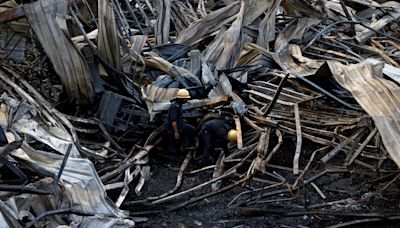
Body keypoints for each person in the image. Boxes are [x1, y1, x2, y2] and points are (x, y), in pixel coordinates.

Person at [166, 89, 196, 156]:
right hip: (173, 129)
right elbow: (173, 121)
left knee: (192, 130)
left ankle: (182, 149)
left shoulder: (179, 105)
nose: (187, 100)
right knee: (173, 145)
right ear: (181, 99)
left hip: (180, 126)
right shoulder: (175, 107)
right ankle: (172, 159)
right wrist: (176, 132)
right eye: (186, 99)